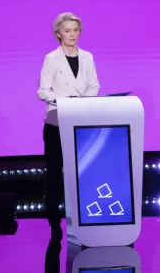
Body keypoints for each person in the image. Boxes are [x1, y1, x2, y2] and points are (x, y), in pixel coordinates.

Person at [37, 12, 101, 236]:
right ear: (58, 34)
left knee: (82, 170)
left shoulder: (88, 57)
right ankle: (54, 222)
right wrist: (65, 100)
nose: (72, 35)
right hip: (57, 121)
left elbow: (94, 86)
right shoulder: (51, 59)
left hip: (81, 120)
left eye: (76, 30)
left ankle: (84, 215)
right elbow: (42, 92)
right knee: (55, 172)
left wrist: (82, 101)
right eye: (67, 31)